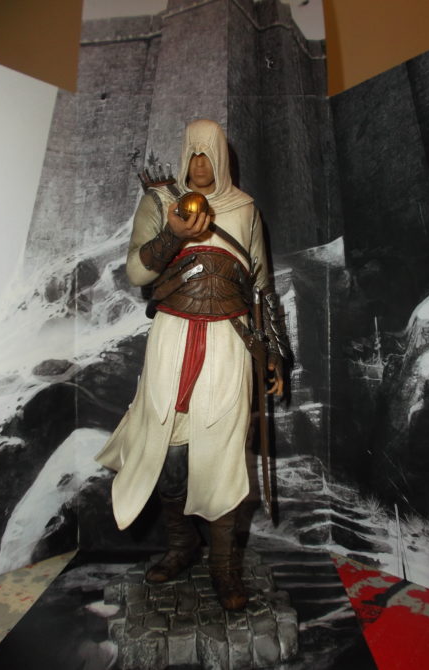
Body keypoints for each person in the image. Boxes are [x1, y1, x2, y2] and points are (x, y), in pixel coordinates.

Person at [96, 119, 286, 610]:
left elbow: (262, 288)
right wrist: (173, 234)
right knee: (167, 449)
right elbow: (137, 271)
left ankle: (224, 567)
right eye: (193, 153)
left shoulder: (244, 209)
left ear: (221, 156)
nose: (200, 163)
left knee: (223, 452)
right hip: (172, 338)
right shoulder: (161, 202)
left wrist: (274, 354)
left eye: (209, 153)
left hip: (228, 341)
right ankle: (182, 545)